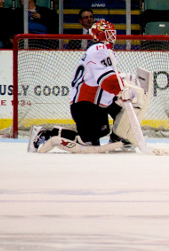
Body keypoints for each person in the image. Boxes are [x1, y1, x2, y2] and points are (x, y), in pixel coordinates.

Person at [29, 20, 149, 154]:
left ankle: (120, 138)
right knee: (88, 145)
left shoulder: (101, 51)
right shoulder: (99, 50)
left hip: (96, 102)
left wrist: (123, 82)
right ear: (100, 35)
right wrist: (123, 91)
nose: (113, 36)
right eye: (109, 33)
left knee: (126, 108)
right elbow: (106, 81)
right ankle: (48, 134)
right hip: (85, 104)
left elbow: (105, 78)